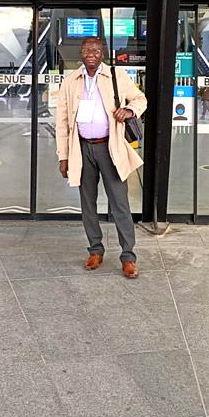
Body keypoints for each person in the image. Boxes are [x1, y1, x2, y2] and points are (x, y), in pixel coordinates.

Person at [56, 37, 147, 278]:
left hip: (110, 148)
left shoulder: (117, 76)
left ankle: (128, 257)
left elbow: (140, 99)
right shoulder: (70, 81)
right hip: (81, 149)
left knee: (120, 203)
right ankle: (95, 250)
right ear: (81, 53)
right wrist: (63, 156)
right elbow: (62, 122)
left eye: (95, 50)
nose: (91, 54)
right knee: (88, 203)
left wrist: (130, 110)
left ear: (102, 53)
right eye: (86, 50)